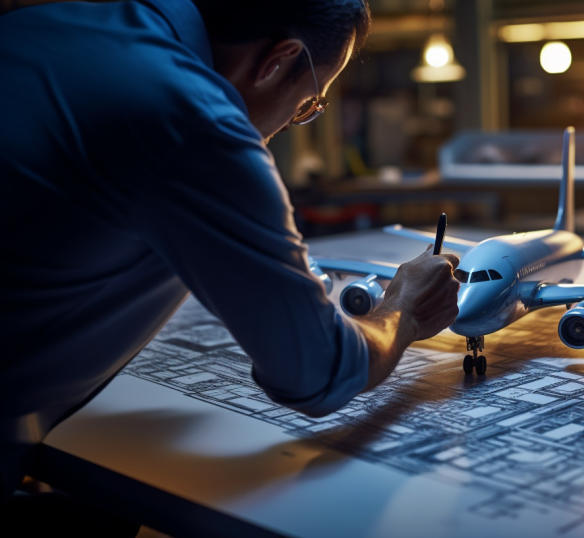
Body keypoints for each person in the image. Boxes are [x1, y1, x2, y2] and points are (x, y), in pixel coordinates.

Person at [0, 0, 460, 501]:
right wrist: (405, 311)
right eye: (309, 103)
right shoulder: (194, 119)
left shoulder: (43, 23)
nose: (290, 123)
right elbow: (318, 369)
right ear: (278, 61)